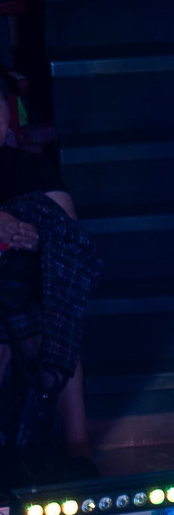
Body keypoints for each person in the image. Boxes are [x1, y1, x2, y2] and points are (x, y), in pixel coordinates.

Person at [0, 125, 101, 487]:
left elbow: (69, 235)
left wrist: (27, 233)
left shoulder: (31, 168)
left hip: (26, 288)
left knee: (51, 335)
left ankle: (78, 447)